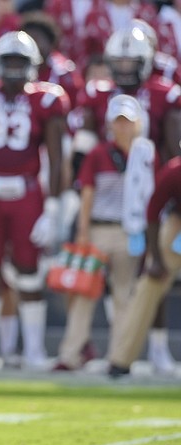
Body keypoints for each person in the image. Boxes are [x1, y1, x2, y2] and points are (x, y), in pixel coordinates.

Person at [0, 31, 68, 370]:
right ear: (0, 65)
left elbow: (57, 157)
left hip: (28, 192)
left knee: (29, 271)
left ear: (32, 66)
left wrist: (53, 207)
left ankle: (33, 349)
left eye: (22, 63)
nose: (16, 70)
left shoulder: (47, 100)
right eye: (11, 62)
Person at [55, 95, 157, 371]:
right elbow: (87, 194)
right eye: (118, 122)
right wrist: (83, 231)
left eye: (127, 122)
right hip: (100, 230)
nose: (123, 127)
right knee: (85, 294)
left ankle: (119, 357)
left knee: (124, 296)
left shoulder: (146, 154)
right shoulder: (99, 154)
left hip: (130, 233)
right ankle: (70, 354)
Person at [108, 153, 181, 376]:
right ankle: (121, 359)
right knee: (148, 288)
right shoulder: (174, 171)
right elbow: (152, 211)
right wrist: (156, 258)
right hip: (178, 228)